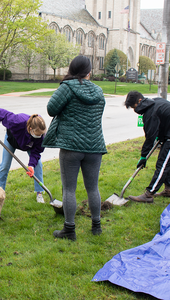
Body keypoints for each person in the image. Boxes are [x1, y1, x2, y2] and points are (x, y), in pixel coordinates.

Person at [42, 55, 107, 241]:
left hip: (71, 146)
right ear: (89, 72)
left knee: (69, 189)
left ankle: (69, 230)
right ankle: (96, 227)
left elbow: (51, 109)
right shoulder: (99, 91)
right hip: (95, 146)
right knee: (93, 188)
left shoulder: (67, 87)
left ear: (71, 69)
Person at [0, 109, 47, 203]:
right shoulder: (17, 121)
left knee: (38, 164)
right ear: (30, 129)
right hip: (12, 140)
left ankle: (39, 193)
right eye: (38, 134)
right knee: (4, 165)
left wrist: (31, 165)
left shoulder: (41, 136)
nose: (40, 136)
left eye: (41, 134)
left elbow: (36, 152)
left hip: (29, 145)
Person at [124, 91, 170, 203]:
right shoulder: (155, 101)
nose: (135, 111)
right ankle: (168, 190)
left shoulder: (150, 113)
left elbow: (150, 137)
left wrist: (143, 156)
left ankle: (149, 194)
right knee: (166, 164)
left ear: (140, 101)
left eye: (134, 107)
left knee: (162, 165)